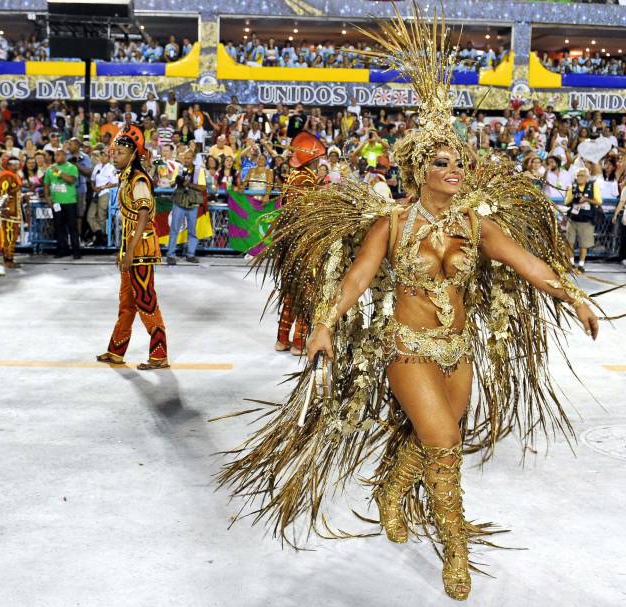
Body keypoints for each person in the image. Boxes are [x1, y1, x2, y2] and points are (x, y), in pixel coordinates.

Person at [217, 10, 599, 602]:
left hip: (459, 350)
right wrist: (321, 325)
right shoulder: (391, 226)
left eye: (458, 160)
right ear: (418, 168)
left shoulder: (477, 225)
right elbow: (355, 280)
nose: (454, 169)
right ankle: (456, 552)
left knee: (434, 438)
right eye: (441, 161)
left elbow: (531, 265)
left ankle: (391, 492)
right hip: (407, 349)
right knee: (445, 447)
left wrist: (573, 296)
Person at [96, 126, 169, 370]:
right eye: (113, 152)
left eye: (118, 152)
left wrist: (129, 251)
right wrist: (124, 250)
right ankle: (116, 351)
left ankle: (159, 356)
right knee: (126, 302)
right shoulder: (126, 177)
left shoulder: (138, 179)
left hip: (141, 250)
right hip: (131, 248)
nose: (114, 156)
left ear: (131, 154)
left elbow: (144, 215)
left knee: (146, 300)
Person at [274, 131, 326, 356]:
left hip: (290, 243)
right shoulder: (305, 179)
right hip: (303, 243)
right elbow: (304, 212)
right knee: (306, 292)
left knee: (291, 292)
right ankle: (299, 342)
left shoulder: (293, 176)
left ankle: (282, 340)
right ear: (312, 160)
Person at [166, 149, 206, 265]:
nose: (186, 160)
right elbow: (172, 183)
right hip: (179, 200)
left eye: (189, 158)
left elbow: (203, 188)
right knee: (174, 228)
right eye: (185, 158)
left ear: (193, 158)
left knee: (192, 230)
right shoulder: (178, 169)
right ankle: (170, 255)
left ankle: (190, 254)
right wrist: (176, 181)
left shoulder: (199, 170)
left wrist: (189, 184)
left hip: (193, 202)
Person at [564, 166, 603, 273]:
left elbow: (599, 202)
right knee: (569, 242)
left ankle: (581, 264)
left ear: (587, 177)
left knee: (584, 244)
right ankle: (571, 263)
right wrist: (571, 195)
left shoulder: (593, 185)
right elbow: (566, 202)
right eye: (578, 175)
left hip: (586, 219)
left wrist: (586, 199)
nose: (579, 177)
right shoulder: (572, 186)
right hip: (573, 218)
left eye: (581, 175)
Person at [43, 148, 80, 259]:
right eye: (55, 155)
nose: (56, 157)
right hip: (56, 203)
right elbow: (46, 184)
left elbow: (71, 180)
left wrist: (58, 172)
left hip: (69, 202)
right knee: (59, 227)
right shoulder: (50, 169)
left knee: (72, 228)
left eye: (58, 155)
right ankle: (62, 250)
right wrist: (47, 197)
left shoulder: (71, 167)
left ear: (64, 156)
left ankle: (76, 251)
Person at [0, 155, 23, 269]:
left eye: (17, 162)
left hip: (13, 212)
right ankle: (8, 261)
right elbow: (3, 194)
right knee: (9, 237)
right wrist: (3, 211)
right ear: (8, 165)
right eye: (14, 163)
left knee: (12, 237)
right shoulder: (6, 176)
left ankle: (9, 258)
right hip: (9, 214)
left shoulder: (13, 176)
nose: (17, 165)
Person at [88, 147, 117, 247]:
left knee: (101, 216)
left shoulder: (111, 168)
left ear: (109, 157)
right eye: (102, 155)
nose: (103, 157)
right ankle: (101, 236)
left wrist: (103, 186)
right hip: (96, 193)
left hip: (105, 192)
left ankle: (101, 239)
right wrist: (93, 187)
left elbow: (115, 182)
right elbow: (92, 179)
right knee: (90, 216)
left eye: (105, 155)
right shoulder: (97, 166)